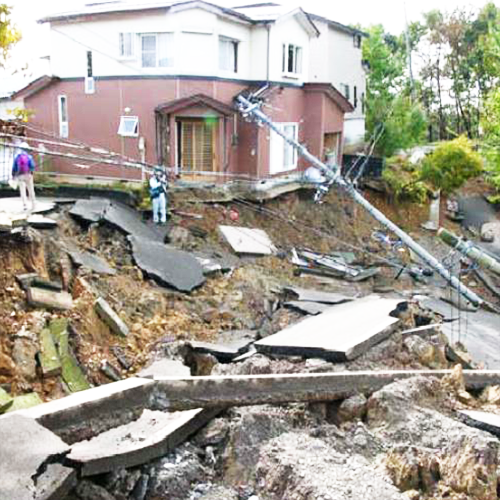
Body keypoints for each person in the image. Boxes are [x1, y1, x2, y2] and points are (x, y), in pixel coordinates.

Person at [12, 141, 36, 212]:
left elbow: (14, 167)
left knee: (23, 191)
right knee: (31, 189)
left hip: (20, 175)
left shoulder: (17, 157)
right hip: (28, 175)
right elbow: (32, 166)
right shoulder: (29, 157)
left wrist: (13, 175)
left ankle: (25, 206)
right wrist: (31, 172)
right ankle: (33, 204)